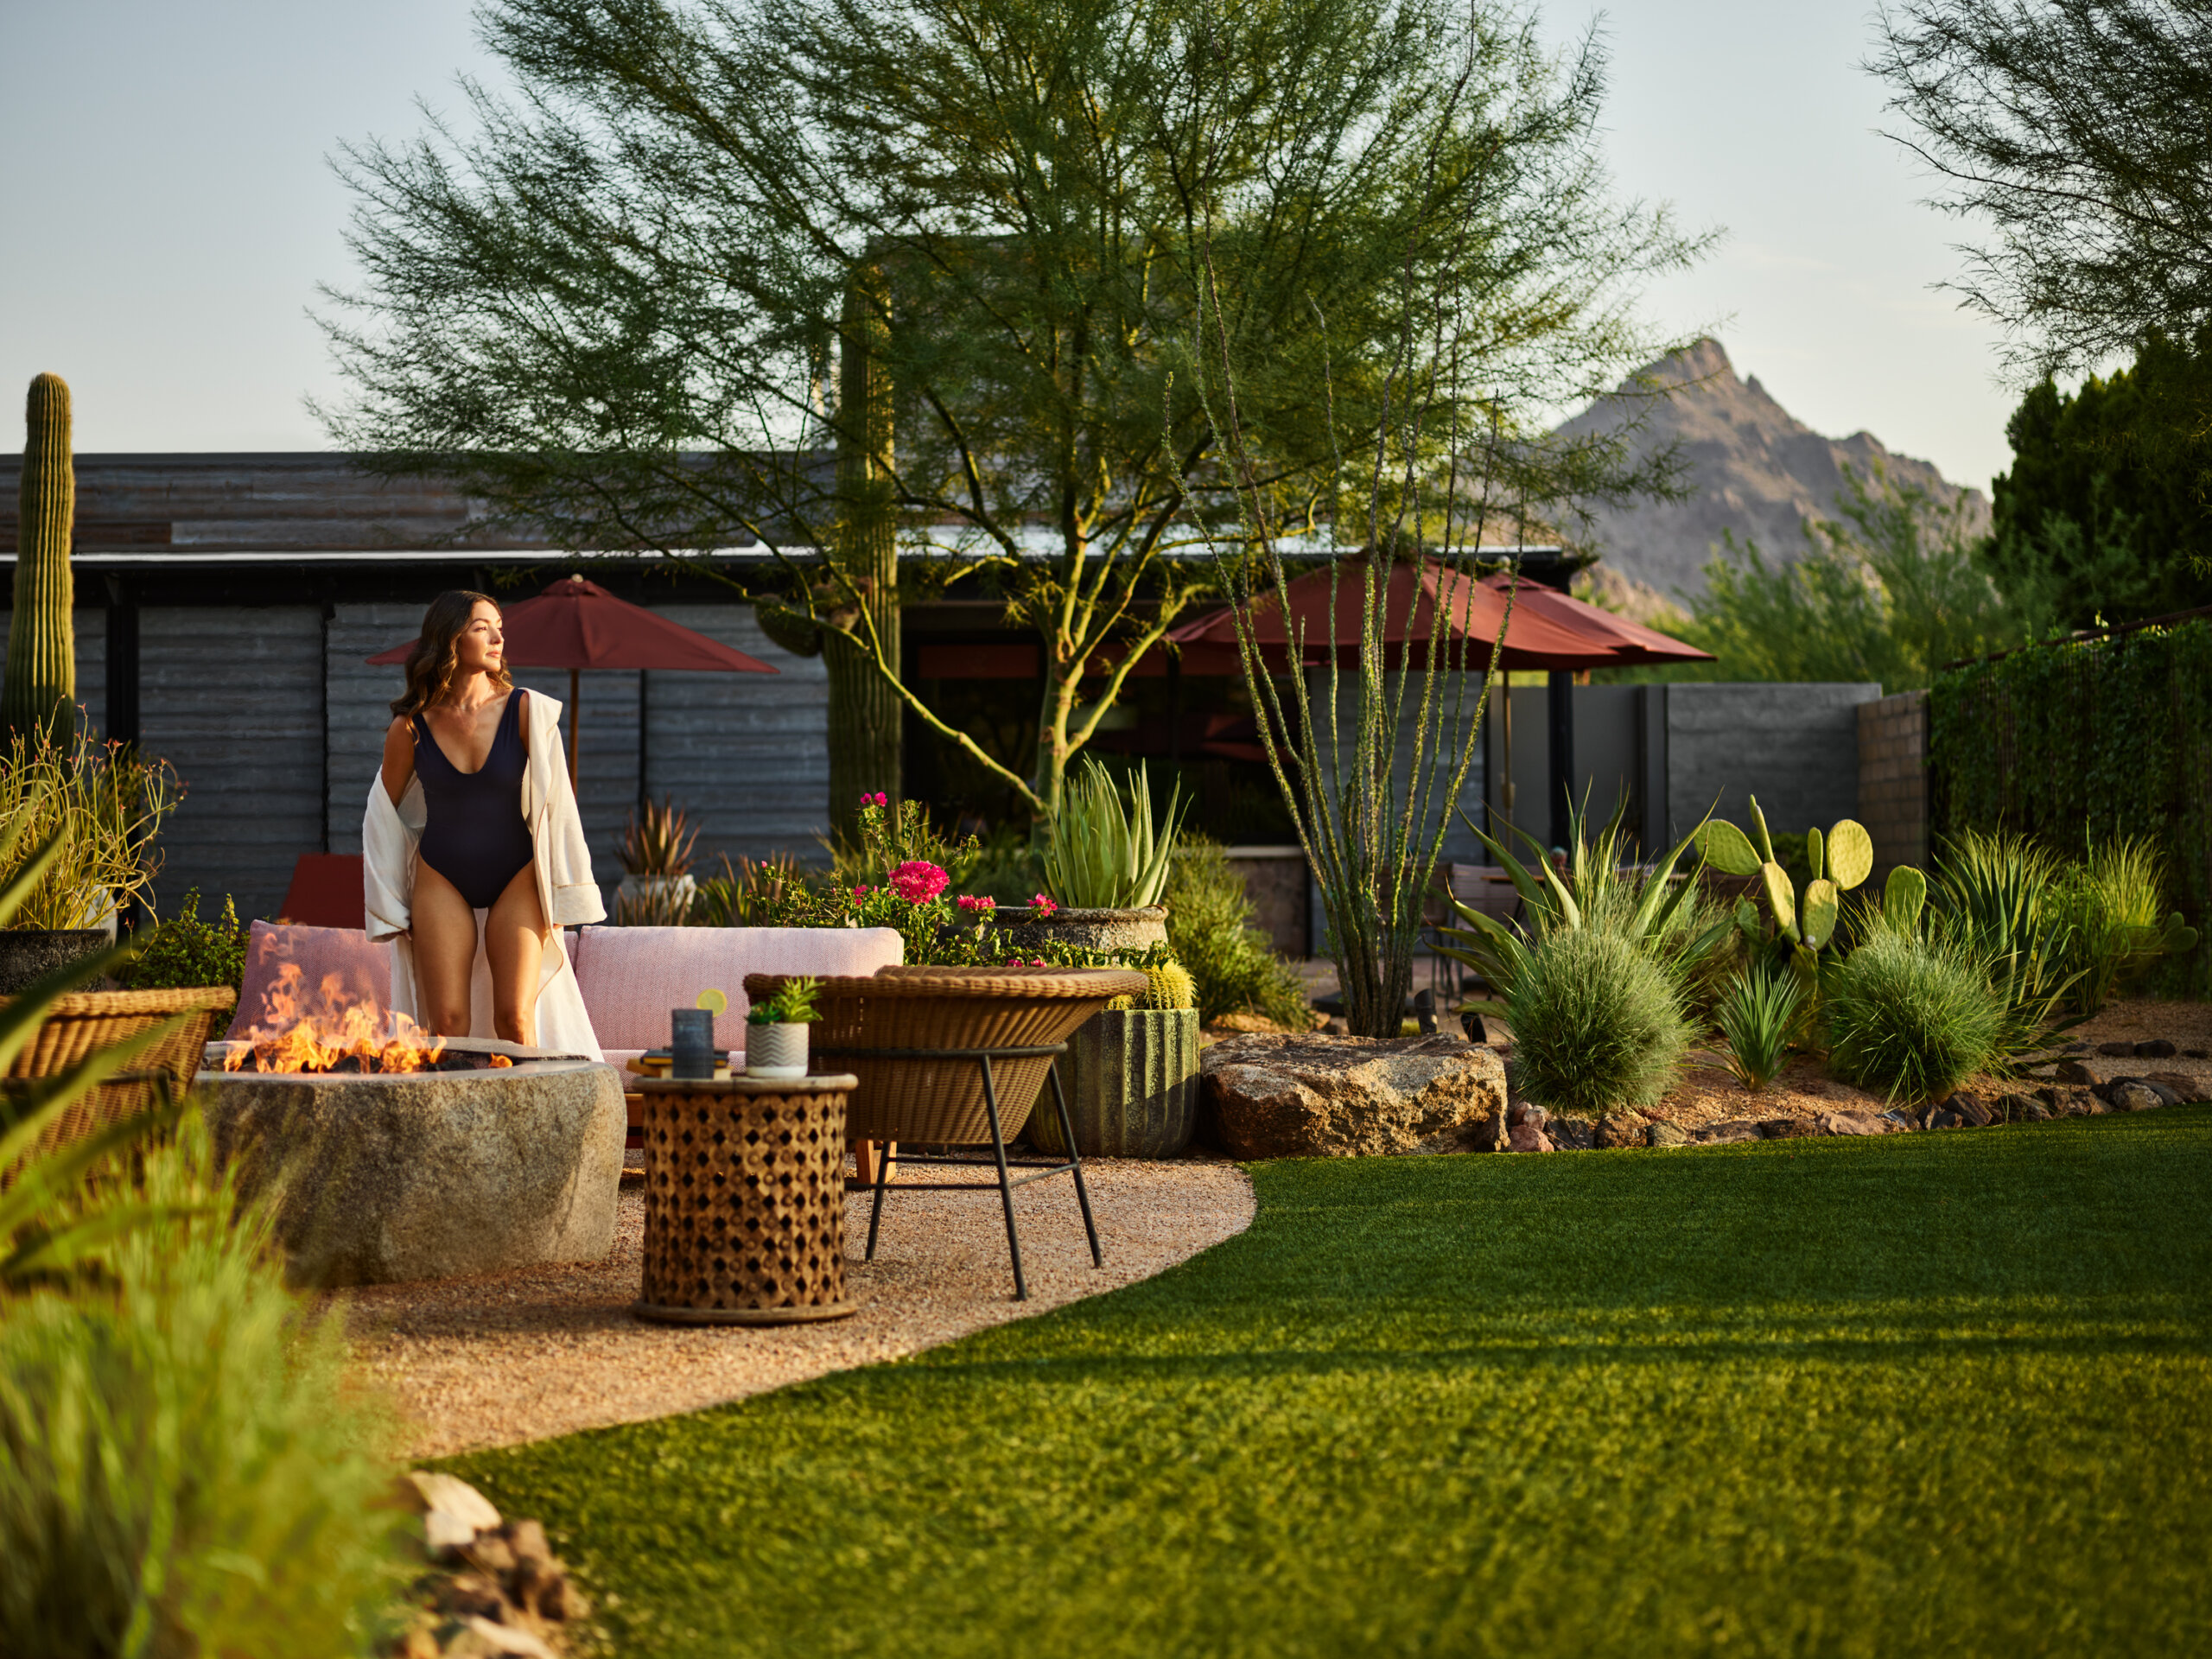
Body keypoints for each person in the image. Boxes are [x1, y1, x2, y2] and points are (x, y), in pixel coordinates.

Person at [362, 590, 603, 1053]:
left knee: (515, 1020)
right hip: (440, 875)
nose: (497, 637)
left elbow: (559, 808)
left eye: (499, 627)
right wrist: (390, 902)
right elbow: (382, 816)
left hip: (516, 873)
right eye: (481, 627)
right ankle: (450, 1124)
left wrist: (566, 892)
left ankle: (522, 1122)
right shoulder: (411, 727)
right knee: (447, 1024)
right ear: (450, 638)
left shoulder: (528, 711)